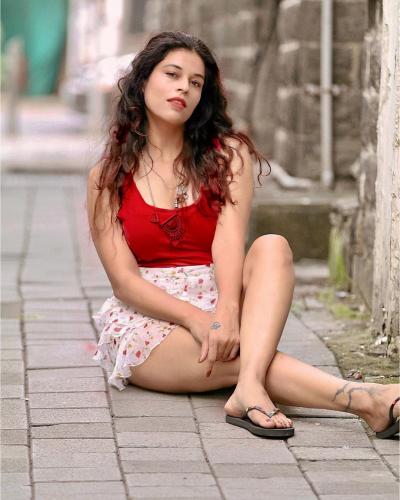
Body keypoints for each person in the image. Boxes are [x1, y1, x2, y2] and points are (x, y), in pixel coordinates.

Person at [87, 31, 399, 439]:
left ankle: (249, 386)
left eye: (196, 82)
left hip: (220, 293)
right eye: (172, 74)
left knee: (272, 246)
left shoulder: (227, 156)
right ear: (143, 81)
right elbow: (124, 282)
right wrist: (196, 319)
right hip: (148, 319)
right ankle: (368, 399)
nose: (184, 88)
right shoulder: (107, 177)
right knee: (239, 358)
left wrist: (226, 312)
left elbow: (229, 242)